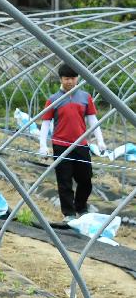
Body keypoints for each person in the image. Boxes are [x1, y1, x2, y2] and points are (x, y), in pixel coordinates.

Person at [38, 64, 106, 220]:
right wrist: (43, 145)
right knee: (64, 181)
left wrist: (100, 140)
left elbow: (92, 120)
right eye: (67, 78)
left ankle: (81, 208)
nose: (70, 81)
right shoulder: (53, 99)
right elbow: (46, 123)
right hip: (61, 145)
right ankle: (69, 214)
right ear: (61, 79)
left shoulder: (85, 97)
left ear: (78, 78)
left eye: (73, 78)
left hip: (81, 145)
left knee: (86, 180)